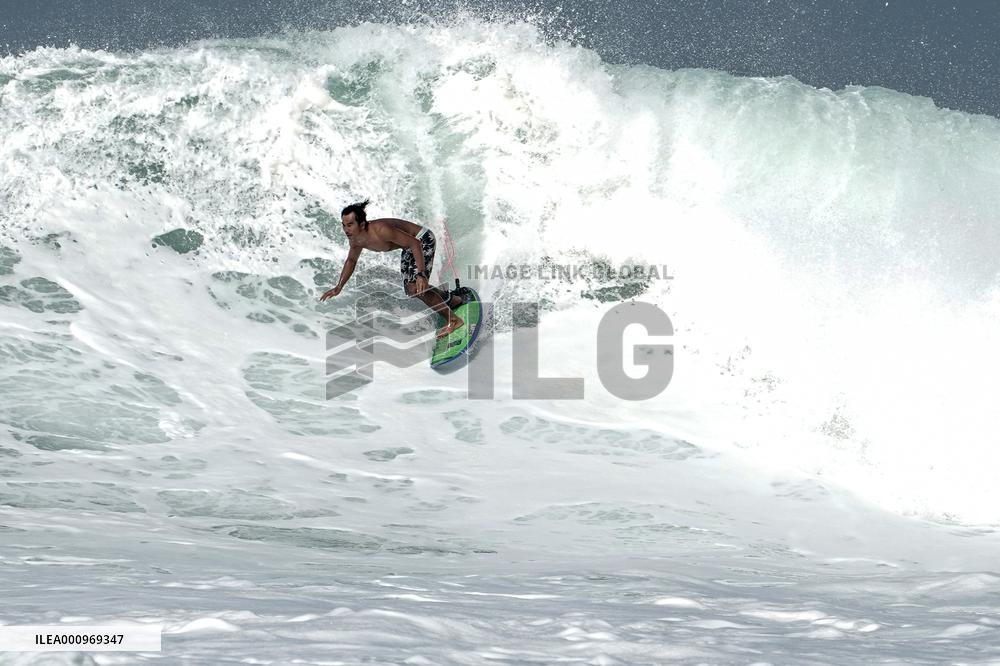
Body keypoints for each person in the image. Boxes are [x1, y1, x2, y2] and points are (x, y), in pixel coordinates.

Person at [319, 199, 465, 338]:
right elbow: (351, 260)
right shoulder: (355, 239)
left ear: (362, 224)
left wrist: (422, 274)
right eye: (344, 225)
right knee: (411, 290)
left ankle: (454, 320)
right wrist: (339, 287)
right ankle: (452, 300)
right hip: (408, 247)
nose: (346, 229)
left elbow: (415, 243)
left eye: (350, 224)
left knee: (417, 287)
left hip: (421, 241)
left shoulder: (382, 230)